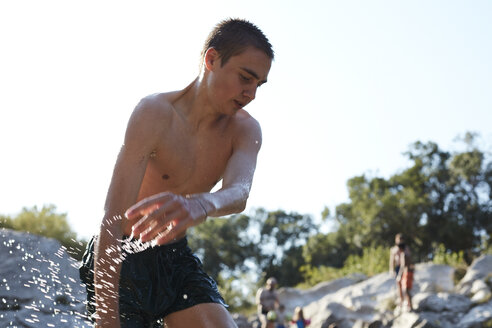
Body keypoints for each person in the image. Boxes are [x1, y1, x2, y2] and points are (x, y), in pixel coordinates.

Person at [79, 18, 274, 328]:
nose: (250, 93)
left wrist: (201, 204)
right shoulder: (154, 113)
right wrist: (106, 317)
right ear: (211, 59)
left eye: (258, 84)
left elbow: (239, 193)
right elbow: (111, 218)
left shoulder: (245, 129)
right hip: (120, 257)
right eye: (245, 78)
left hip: (175, 260)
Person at [389, 233, 414, 312]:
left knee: (405, 287)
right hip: (398, 267)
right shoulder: (394, 249)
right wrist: (391, 269)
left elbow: (407, 261)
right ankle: (401, 301)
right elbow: (392, 260)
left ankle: (407, 303)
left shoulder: (405, 249)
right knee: (399, 284)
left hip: (405, 268)